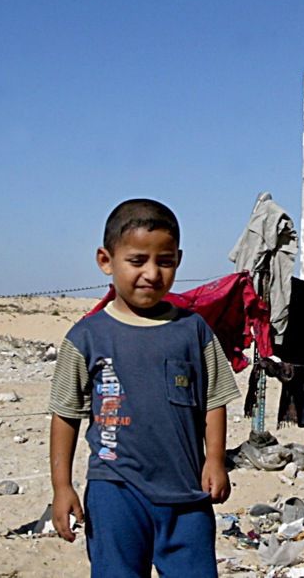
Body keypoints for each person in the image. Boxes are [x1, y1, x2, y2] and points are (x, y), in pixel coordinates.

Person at [49, 198, 240, 576]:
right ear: (106, 260)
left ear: (178, 260)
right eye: (137, 261)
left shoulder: (194, 330)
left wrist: (215, 459)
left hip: (187, 492)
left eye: (164, 261)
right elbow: (65, 414)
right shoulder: (87, 337)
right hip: (115, 489)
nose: (152, 273)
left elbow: (214, 399)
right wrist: (62, 487)